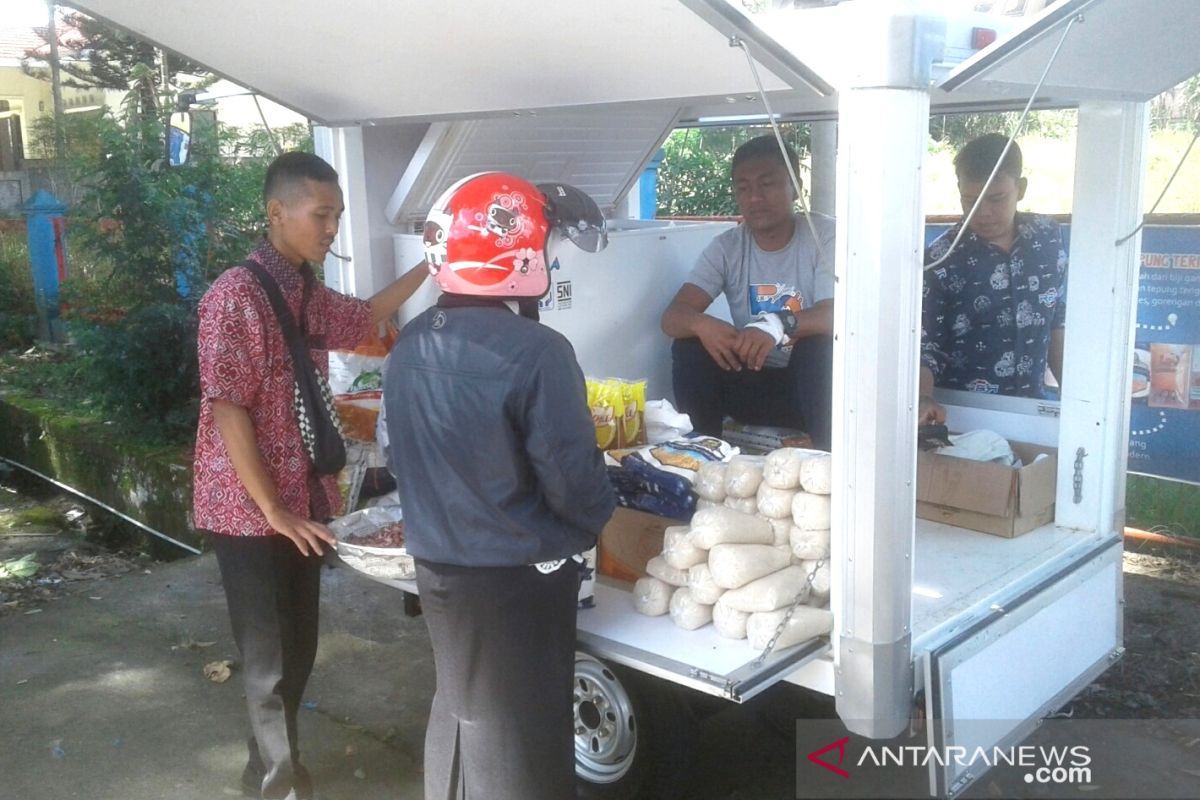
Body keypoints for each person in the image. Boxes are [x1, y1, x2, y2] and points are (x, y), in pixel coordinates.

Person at [193, 151, 428, 800]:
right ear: (277, 212)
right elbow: (227, 407)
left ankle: (265, 769)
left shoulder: (300, 289)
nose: (331, 229)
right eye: (321, 214)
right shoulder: (235, 296)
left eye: (337, 216)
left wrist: (436, 263)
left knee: (297, 651)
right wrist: (271, 510)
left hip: (300, 501)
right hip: (248, 508)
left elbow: (366, 316)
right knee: (268, 661)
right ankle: (277, 786)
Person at [384, 172, 615, 800]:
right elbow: (571, 481)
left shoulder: (408, 344)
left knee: (461, 704)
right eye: (549, 246)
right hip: (518, 576)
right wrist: (600, 511)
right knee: (524, 728)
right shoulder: (537, 351)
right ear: (518, 255)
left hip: (436, 566)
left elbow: (397, 455)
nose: (554, 257)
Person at [660, 135, 836, 450]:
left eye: (767, 184)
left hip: (818, 392)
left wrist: (776, 324)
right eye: (743, 188)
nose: (755, 197)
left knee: (818, 347)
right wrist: (703, 325)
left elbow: (838, 314)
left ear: (795, 187)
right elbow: (673, 317)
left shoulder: (825, 236)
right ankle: (704, 453)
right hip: (755, 386)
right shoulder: (727, 247)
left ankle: (829, 457)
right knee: (688, 346)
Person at [919, 133, 1068, 425]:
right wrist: (923, 400)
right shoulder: (940, 259)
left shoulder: (1048, 236)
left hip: (1034, 408)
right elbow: (927, 345)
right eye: (970, 201)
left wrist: (1075, 397)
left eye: (996, 198)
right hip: (965, 415)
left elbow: (1056, 317)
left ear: (1020, 188)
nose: (983, 213)